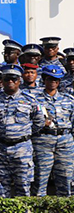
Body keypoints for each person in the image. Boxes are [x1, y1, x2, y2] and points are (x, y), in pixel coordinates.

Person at [0, 65, 45, 198]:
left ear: (19, 81)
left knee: (23, 186)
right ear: (2, 81)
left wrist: (24, 134)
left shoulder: (29, 100)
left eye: (14, 79)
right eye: (7, 79)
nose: (10, 82)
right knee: (1, 188)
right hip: (0, 148)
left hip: (22, 149)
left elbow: (39, 121)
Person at [32, 65, 74, 197]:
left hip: (65, 141)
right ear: (44, 79)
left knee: (66, 180)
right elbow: (28, 124)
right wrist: (40, 124)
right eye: (50, 79)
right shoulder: (34, 100)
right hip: (43, 141)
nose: (53, 82)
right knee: (40, 180)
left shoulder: (69, 100)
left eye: (56, 80)